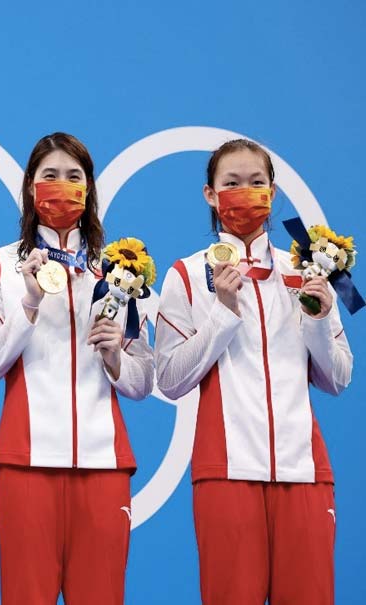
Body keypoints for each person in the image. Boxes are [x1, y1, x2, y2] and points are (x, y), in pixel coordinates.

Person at [154, 138, 352, 605]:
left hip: (305, 472)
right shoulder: (185, 275)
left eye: (257, 183)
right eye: (232, 183)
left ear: (273, 191)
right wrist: (223, 312)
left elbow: (339, 378)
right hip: (226, 472)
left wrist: (320, 321)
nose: (246, 193)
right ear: (210, 195)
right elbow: (170, 377)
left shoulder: (304, 271)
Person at [0, 132, 153, 605]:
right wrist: (28, 306)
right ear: (31, 186)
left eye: (75, 177)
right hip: (27, 466)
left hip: (104, 467)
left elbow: (142, 381)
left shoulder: (119, 270)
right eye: (50, 175)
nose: (62, 186)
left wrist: (115, 359)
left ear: (88, 190)